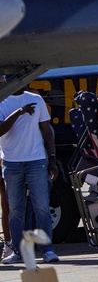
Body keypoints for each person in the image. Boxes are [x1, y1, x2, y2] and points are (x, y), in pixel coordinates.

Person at [0, 87, 59, 264]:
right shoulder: (2, 100)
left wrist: (53, 159)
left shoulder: (36, 99)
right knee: (15, 210)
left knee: (41, 207)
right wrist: (19, 113)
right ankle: (17, 250)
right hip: (11, 162)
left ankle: (47, 249)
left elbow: (47, 132)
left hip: (36, 160)